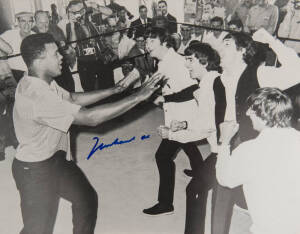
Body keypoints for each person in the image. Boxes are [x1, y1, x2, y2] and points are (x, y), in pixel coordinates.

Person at [12, 33, 163, 234]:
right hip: (34, 170)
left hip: (55, 160)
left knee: (86, 200)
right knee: (38, 228)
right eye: (56, 53)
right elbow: (90, 118)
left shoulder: (40, 79)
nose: (62, 57)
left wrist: (117, 89)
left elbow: (72, 98)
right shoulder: (37, 95)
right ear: (39, 60)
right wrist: (137, 97)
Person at [211, 28, 300, 234]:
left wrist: (271, 40)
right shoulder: (220, 79)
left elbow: (297, 70)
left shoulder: (259, 73)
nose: (219, 49)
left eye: (227, 44)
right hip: (229, 142)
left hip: (256, 148)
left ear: (242, 50)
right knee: (220, 196)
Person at [216, 87, 300, 234]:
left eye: (252, 111)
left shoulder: (249, 150)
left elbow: (224, 178)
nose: (248, 113)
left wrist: (224, 142)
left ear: (264, 116)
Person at [142, 27, 204, 216]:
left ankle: (165, 203)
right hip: (177, 114)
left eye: (151, 41)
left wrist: (166, 99)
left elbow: (193, 88)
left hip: (184, 117)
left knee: (163, 156)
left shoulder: (177, 62)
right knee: (188, 144)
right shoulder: (163, 62)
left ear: (165, 43)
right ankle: (202, 172)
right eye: (146, 41)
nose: (146, 45)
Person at [0, 12, 35, 82]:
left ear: (32, 23)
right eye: (23, 21)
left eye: (29, 21)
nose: (26, 24)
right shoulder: (9, 34)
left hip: (31, 74)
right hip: (11, 74)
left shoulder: (36, 37)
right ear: (18, 23)